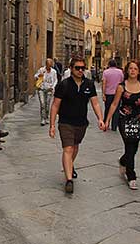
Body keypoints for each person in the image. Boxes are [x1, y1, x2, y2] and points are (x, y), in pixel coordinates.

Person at [49, 56, 104, 194]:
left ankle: (70, 166)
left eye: (82, 68)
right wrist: (52, 125)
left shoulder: (89, 84)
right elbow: (55, 105)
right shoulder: (64, 85)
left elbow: (95, 102)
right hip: (66, 122)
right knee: (68, 149)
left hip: (81, 123)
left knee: (75, 147)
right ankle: (69, 180)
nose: (80, 70)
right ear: (71, 68)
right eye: (77, 68)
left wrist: (100, 119)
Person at [105, 60, 140, 190]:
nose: (132, 71)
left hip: (138, 120)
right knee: (129, 146)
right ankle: (131, 176)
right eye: (130, 68)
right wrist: (107, 120)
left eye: (135, 69)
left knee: (134, 148)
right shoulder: (121, 86)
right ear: (127, 71)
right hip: (124, 120)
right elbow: (114, 104)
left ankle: (123, 161)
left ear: (139, 71)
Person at [34, 58, 58, 125]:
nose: (49, 67)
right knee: (42, 104)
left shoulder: (54, 72)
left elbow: (56, 80)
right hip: (41, 89)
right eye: (48, 65)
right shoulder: (41, 70)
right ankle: (43, 119)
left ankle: (47, 117)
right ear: (46, 64)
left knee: (47, 104)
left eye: (50, 65)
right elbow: (35, 76)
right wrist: (38, 76)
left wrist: (52, 87)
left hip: (49, 89)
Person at [102, 59, 124, 131]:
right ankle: (114, 126)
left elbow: (104, 83)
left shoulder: (105, 72)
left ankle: (105, 123)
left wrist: (103, 93)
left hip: (108, 93)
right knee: (116, 110)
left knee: (107, 109)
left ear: (109, 65)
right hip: (118, 93)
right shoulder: (120, 72)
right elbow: (122, 81)